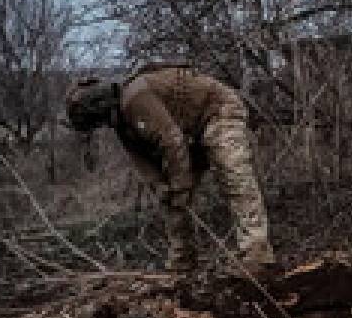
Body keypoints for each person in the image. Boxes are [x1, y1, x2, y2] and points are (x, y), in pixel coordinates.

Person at [65, 64, 273, 271]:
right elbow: (143, 162)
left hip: (217, 110)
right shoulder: (120, 120)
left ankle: (256, 252)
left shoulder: (135, 98)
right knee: (170, 197)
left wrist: (181, 186)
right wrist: (162, 187)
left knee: (234, 175)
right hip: (188, 132)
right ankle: (183, 258)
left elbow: (172, 141)